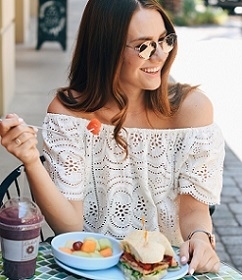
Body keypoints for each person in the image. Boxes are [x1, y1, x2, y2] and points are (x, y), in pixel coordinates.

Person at [0, 0, 225, 275]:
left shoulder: (192, 110)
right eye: (144, 46)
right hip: (91, 266)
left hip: (167, 269)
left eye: (164, 40)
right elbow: (69, 227)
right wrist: (32, 160)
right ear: (105, 50)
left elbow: (193, 212)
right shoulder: (70, 114)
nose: (159, 56)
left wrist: (200, 237)